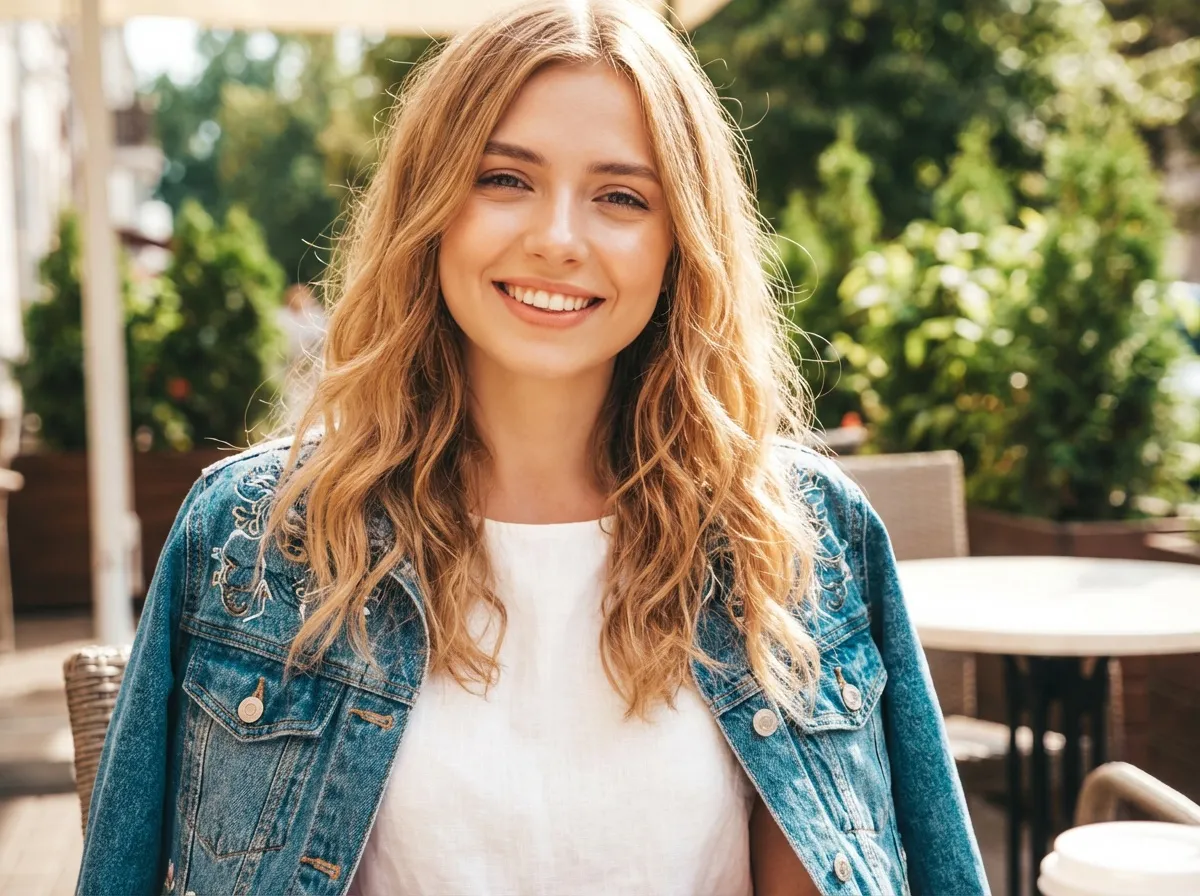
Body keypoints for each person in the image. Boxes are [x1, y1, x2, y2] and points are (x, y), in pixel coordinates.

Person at [76, 2, 989, 894]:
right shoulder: (257, 536)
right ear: (428, 207)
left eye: (621, 196)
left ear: (682, 243)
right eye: (505, 178)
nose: (557, 239)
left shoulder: (796, 540)